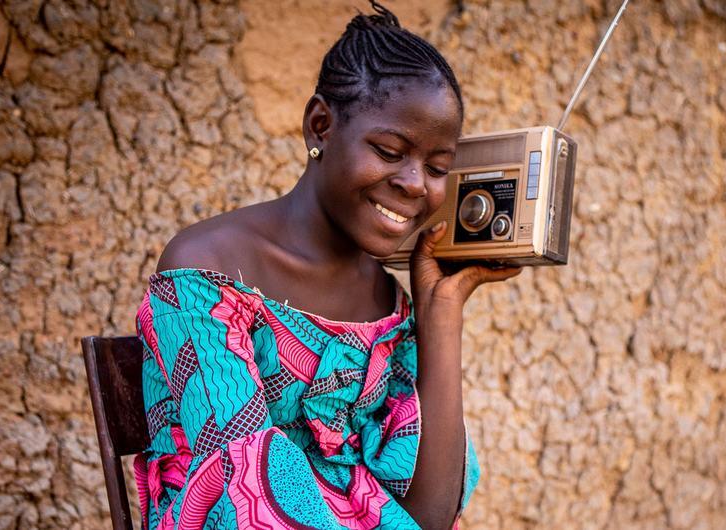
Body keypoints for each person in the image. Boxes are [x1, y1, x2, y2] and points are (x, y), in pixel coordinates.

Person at [133, 2, 520, 528]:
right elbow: (245, 497)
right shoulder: (208, 272)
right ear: (320, 126)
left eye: (437, 168)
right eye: (389, 150)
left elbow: (432, 516)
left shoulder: (386, 303)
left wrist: (442, 314)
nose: (414, 183)